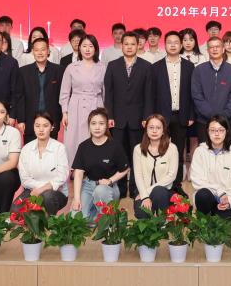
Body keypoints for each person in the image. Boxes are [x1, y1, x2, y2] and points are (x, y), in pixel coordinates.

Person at [104, 32, 154, 198]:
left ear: (138, 45)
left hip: (138, 119)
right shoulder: (112, 65)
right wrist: (109, 116)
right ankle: (119, 189)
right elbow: (109, 94)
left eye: (133, 44)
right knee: (118, 155)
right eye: (126, 44)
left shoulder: (146, 66)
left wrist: (146, 117)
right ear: (122, 46)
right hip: (117, 119)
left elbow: (149, 94)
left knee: (137, 155)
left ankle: (135, 188)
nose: (130, 47)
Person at [151, 31, 196, 187]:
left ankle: (176, 186)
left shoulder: (189, 66)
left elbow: (193, 93)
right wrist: (152, 117)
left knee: (178, 151)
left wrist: (191, 115)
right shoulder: (155, 67)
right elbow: (151, 94)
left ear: (181, 45)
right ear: (165, 45)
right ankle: (160, 184)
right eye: (169, 42)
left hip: (181, 115)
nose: (173, 45)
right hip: (161, 117)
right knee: (160, 150)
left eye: (176, 42)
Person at [71, 108, 129, 220]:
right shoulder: (83, 146)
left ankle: (106, 218)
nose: (97, 127)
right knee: (76, 218)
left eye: (101, 123)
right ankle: (95, 212)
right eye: (93, 123)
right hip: (88, 186)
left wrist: (110, 180)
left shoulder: (115, 146)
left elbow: (125, 169)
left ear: (106, 125)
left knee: (100, 191)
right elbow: (78, 173)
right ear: (89, 125)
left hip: (108, 187)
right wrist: (76, 198)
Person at [59, 34, 107, 165]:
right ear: (79, 48)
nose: (87, 49)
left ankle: (94, 167)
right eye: (84, 46)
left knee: (95, 136)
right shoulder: (71, 67)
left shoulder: (102, 67)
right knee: (74, 138)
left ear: (96, 48)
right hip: (75, 106)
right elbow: (64, 92)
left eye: (91, 46)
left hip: (96, 105)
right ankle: (74, 167)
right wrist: (65, 112)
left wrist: (105, 111)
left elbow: (105, 92)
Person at [191, 36, 231, 142]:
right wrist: (211, 115)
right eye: (211, 47)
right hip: (204, 122)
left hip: (226, 121)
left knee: (225, 151)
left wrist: (224, 116)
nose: (214, 49)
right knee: (204, 150)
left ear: (223, 49)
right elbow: (196, 95)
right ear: (207, 50)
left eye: (217, 47)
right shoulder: (199, 70)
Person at [16, 112, 69, 215]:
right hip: (32, 190)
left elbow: (62, 176)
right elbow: (24, 179)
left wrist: (42, 189)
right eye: (37, 126)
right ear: (33, 127)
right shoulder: (26, 149)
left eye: (45, 126)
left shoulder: (59, 148)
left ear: (52, 127)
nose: (41, 129)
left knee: (47, 197)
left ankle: (50, 221)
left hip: (56, 193)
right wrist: (39, 189)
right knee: (16, 210)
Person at [190, 115, 231, 219]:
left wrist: (228, 201)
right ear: (207, 132)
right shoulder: (200, 151)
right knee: (203, 194)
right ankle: (203, 220)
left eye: (221, 130)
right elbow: (197, 180)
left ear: (227, 131)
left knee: (223, 224)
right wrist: (219, 192)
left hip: (226, 199)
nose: (217, 134)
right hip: (207, 198)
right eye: (213, 130)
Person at [132, 114, 179, 218]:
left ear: (163, 131)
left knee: (159, 191)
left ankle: (163, 222)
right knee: (142, 214)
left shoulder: (172, 148)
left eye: (158, 128)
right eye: (151, 127)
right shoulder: (138, 149)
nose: (154, 131)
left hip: (164, 191)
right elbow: (138, 176)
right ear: (146, 130)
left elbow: (171, 176)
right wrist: (144, 196)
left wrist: (149, 191)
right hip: (143, 190)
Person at [16, 37, 64, 140]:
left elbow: (62, 96)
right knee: (30, 148)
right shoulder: (23, 71)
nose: (40, 53)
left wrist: (58, 118)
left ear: (48, 51)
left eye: (43, 49)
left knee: (51, 148)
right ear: (32, 52)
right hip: (30, 121)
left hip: (51, 120)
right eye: (36, 50)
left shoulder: (59, 70)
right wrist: (21, 120)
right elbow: (20, 97)